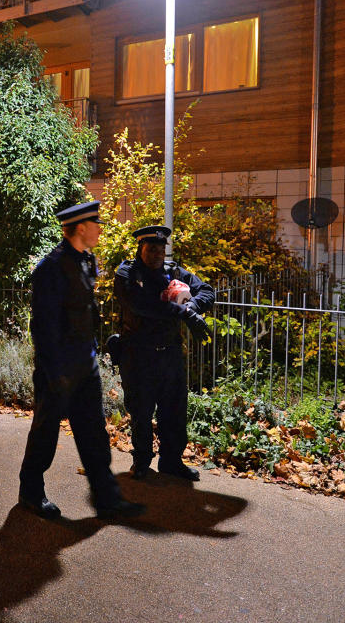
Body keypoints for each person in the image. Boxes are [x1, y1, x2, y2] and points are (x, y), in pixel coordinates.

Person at [18, 201, 145, 520]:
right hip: (58, 370)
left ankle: (107, 499)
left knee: (94, 434)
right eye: (96, 223)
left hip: (84, 367)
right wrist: (54, 372)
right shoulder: (51, 267)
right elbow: (43, 326)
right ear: (80, 228)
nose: (101, 228)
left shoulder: (88, 262)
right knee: (45, 434)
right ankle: (31, 493)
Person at [113, 225, 215, 481]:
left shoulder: (173, 271)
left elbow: (207, 290)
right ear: (140, 248)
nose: (158, 253)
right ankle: (141, 462)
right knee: (142, 412)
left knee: (174, 410)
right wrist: (186, 314)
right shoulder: (127, 273)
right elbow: (143, 305)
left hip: (169, 354)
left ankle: (171, 462)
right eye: (152, 249)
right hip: (139, 356)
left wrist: (191, 304)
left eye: (161, 248)